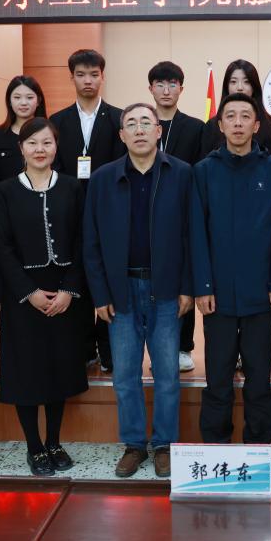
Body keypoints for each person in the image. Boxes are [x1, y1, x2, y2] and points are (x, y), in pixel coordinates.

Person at [82, 103, 193, 479]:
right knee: (125, 375)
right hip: (121, 289)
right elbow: (91, 241)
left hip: (166, 287)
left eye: (147, 122)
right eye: (132, 124)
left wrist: (187, 287)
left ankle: (164, 445)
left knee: (167, 374)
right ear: (122, 135)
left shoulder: (181, 173)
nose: (140, 129)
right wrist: (100, 294)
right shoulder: (103, 178)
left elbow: (191, 235)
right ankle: (133, 444)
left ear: (159, 131)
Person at [191, 92, 271, 444]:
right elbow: (197, 232)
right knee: (217, 376)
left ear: (256, 125)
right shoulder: (204, 171)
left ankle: (258, 446)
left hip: (260, 291)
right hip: (217, 294)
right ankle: (215, 444)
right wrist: (202, 286)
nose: (237, 123)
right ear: (220, 125)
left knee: (259, 375)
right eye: (230, 116)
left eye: (245, 116)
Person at [0, 118, 89, 476]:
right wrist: (28, 292)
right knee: (27, 370)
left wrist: (69, 290)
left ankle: (54, 441)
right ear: (21, 148)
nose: (39, 149)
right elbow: (1, 247)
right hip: (23, 295)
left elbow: (82, 241)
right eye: (32, 143)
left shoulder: (72, 187)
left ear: (56, 147)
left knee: (59, 367)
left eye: (47, 142)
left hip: (65, 292)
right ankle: (34, 445)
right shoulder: (5, 190)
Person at [50, 48, 125, 373]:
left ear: (102, 77)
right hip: (70, 214)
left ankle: (109, 351)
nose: (88, 81)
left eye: (94, 74)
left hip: (110, 213)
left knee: (109, 280)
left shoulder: (118, 118)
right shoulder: (57, 121)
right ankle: (84, 349)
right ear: (72, 78)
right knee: (77, 279)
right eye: (81, 75)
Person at [148, 60, 205, 374]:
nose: (166, 90)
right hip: (146, 213)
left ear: (181, 88)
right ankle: (154, 344)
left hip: (182, 212)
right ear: (151, 89)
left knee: (184, 277)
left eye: (172, 84)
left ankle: (184, 346)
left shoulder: (196, 127)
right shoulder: (142, 123)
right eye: (160, 84)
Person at [200, 59, 271, 155]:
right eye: (233, 82)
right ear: (227, 87)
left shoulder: (270, 125)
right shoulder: (212, 126)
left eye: (246, 82)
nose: (239, 88)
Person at [0, 75, 48, 187]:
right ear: (9, 101)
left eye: (29, 97)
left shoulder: (50, 135)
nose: (23, 102)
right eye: (17, 97)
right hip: (7, 197)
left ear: (38, 101)